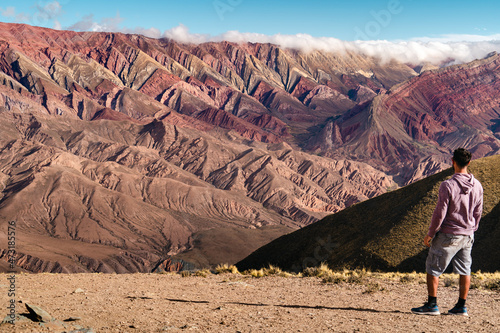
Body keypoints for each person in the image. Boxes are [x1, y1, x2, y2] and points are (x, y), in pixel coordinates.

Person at [411, 148, 483, 316]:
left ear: (453, 161)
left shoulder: (448, 185)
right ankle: (461, 306)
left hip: (449, 234)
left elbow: (439, 213)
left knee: (433, 268)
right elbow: (478, 212)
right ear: (469, 163)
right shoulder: (477, 185)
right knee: (465, 270)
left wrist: (430, 233)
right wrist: (472, 228)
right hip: (468, 235)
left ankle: (432, 305)